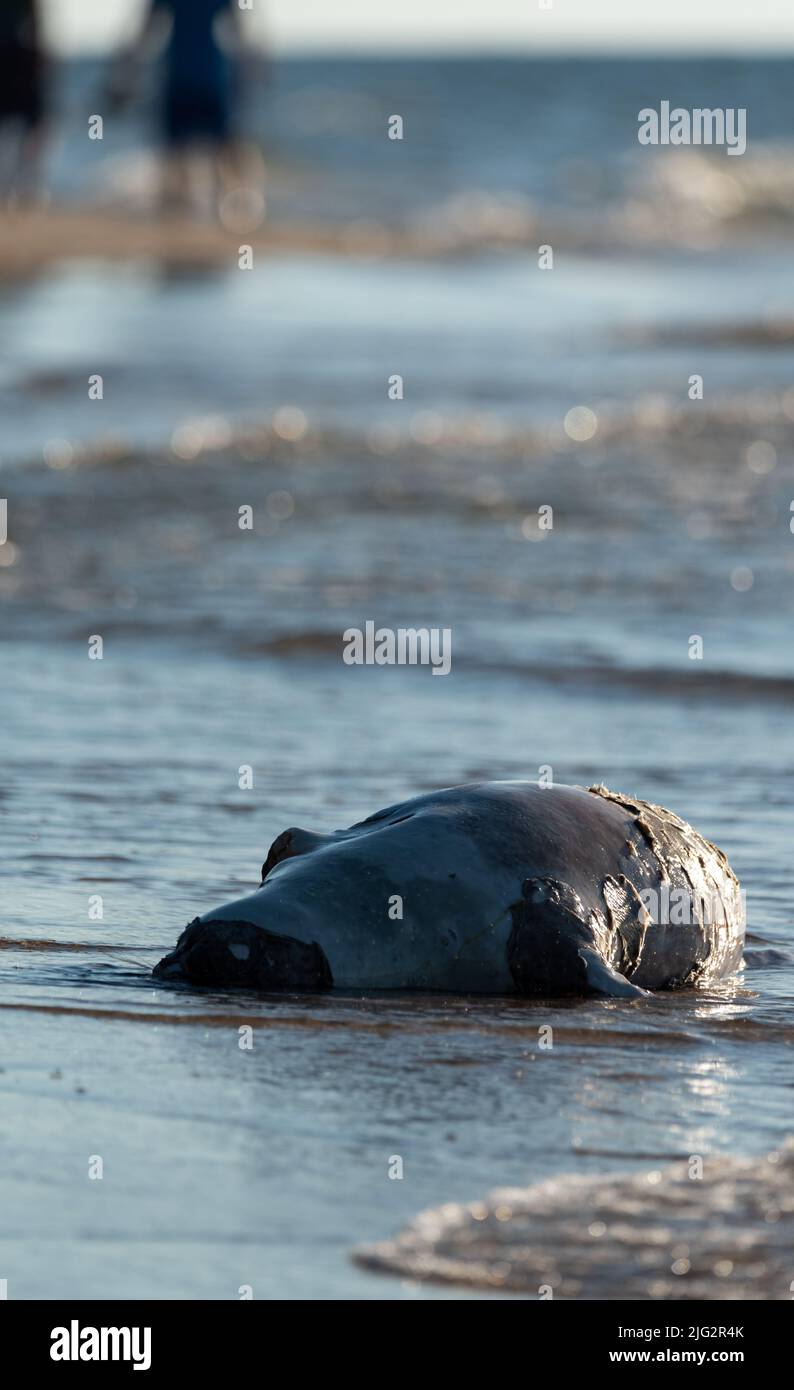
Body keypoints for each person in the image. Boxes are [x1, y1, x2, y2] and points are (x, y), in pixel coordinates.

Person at [119, 0, 260, 218]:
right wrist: (249, 72)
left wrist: (127, 75)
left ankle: (189, 215)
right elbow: (240, 32)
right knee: (214, 153)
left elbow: (145, 33)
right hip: (208, 78)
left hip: (183, 79)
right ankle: (223, 214)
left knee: (184, 155)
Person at [0, 0, 46, 201]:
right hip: (17, 59)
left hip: (22, 59)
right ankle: (21, 187)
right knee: (28, 127)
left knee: (29, 127)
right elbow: (35, 22)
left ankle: (23, 186)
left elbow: (35, 21)